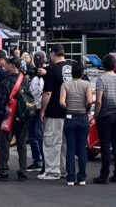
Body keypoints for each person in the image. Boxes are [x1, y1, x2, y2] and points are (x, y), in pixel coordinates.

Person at [38, 43, 72, 180]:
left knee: (52, 140)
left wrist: (42, 111)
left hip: (54, 110)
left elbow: (47, 93)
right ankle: (63, 169)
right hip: (71, 110)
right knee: (65, 143)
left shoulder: (51, 70)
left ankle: (52, 170)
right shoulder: (73, 66)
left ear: (52, 54)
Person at [0, 57, 31, 181]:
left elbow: (0, 102)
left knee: (4, 144)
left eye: (7, 64)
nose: (5, 65)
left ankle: (3, 171)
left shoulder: (6, 81)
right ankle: (23, 171)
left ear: (13, 66)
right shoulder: (24, 79)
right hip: (22, 116)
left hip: (8, 116)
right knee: (22, 145)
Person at [93, 54, 116, 184]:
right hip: (115, 114)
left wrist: (96, 114)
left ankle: (104, 175)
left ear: (103, 65)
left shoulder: (101, 79)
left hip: (104, 115)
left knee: (105, 145)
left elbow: (99, 100)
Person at [60, 61, 92, 186]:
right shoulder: (87, 84)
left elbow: (62, 102)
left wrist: (68, 106)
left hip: (70, 116)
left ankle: (70, 178)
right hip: (83, 116)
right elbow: (90, 100)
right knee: (82, 148)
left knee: (70, 148)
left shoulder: (65, 85)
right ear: (82, 72)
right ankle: (82, 177)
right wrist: (85, 106)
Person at [27, 51, 46, 172]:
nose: (39, 66)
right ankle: (37, 161)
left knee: (39, 135)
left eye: (41, 62)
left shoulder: (48, 73)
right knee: (32, 136)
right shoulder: (32, 73)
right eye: (37, 62)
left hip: (42, 108)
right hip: (32, 107)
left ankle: (45, 162)